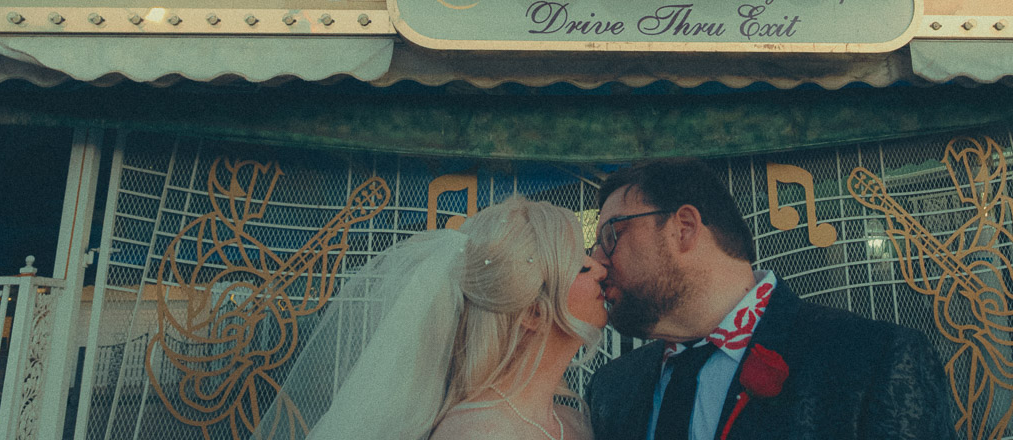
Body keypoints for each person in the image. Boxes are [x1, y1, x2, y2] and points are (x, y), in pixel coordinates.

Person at [586, 160, 955, 440]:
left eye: (611, 235)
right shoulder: (612, 389)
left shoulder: (871, 361)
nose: (597, 262)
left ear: (684, 228)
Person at [253, 194, 607, 440]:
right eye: (581, 266)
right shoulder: (475, 433)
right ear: (532, 312)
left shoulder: (575, 421)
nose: (602, 271)